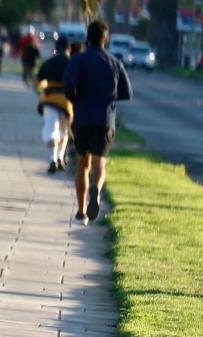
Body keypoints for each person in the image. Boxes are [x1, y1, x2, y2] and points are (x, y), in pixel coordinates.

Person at [63, 20, 132, 225]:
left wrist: (75, 99)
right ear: (106, 39)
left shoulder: (78, 60)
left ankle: (81, 210)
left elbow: (67, 84)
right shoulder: (115, 62)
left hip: (82, 118)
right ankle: (96, 190)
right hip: (104, 120)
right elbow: (126, 93)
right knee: (99, 163)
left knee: (82, 164)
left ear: (87, 38)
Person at [36, 37, 73, 174]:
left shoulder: (49, 62)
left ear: (56, 48)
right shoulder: (72, 63)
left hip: (50, 98)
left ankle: (53, 158)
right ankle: (59, 157)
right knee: (64, 131)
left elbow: (38, 81)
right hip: (66, 101)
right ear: (68, 49)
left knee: (52, 131)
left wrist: (43, 87)